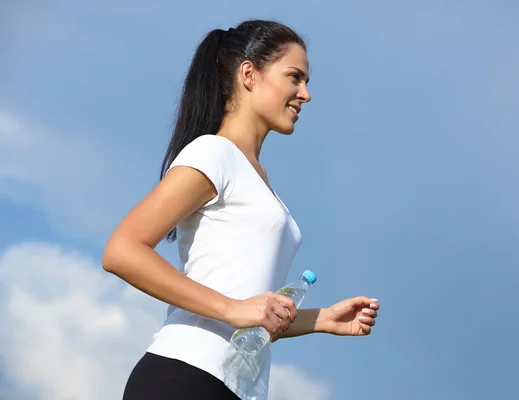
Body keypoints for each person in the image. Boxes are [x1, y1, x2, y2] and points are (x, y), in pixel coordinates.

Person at [102, 19, 380, 400]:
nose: (306, 94)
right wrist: (232, 308)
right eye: (295, 77)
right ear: (249, 73)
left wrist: (321, 319)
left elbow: (250, 313)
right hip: (186, 374)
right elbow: (121, 250)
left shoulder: (257, 178)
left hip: (236, 388)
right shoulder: (214, 154)